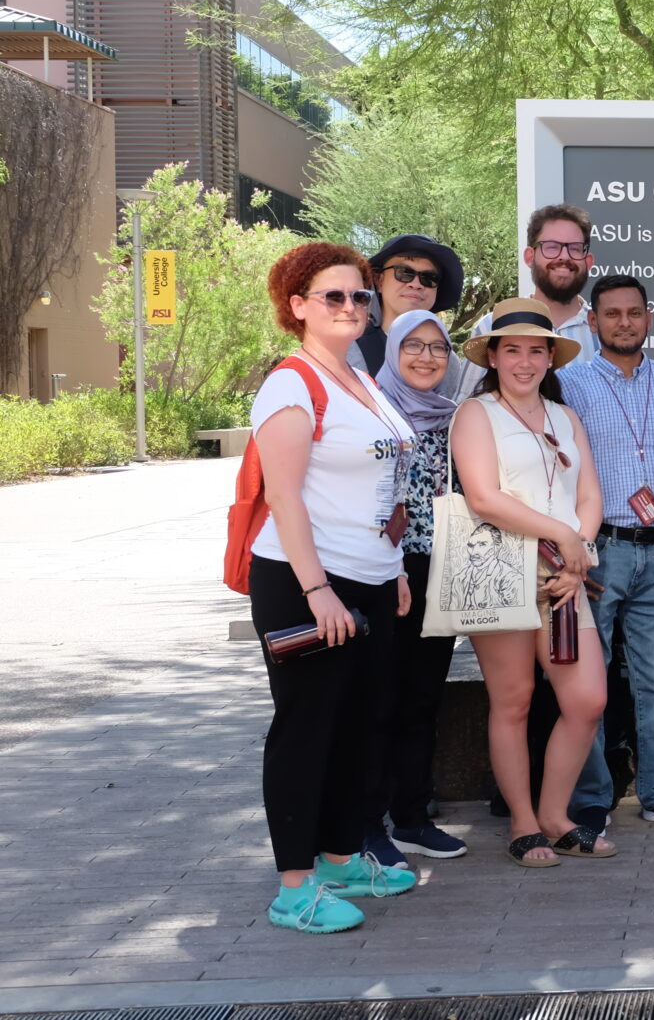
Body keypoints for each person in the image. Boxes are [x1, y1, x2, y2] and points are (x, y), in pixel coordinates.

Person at [249, 242, 417, 933]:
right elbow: (284, 499)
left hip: (372, 580)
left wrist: (396, 570)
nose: (351, 307)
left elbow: (382, 485)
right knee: (308, 731)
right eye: (333, 297)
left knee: (362, 728)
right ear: (298, 307)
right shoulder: (292, 383)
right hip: (306, 582)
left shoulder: (360, 378)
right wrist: (318, 592)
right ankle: (295, 887)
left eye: (359, 297)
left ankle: (342, 857)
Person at [449, 298, 612, 866]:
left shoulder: (564, 417)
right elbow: (483, 497)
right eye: (511, 349)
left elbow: (590, 495)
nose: (524, 362)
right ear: (493, 356)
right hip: (501, 568)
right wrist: (563, 537)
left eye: (536, 351)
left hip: (567, 576)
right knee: (513, 700)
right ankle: (523, 823)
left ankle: (555, 814)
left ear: (551, 358)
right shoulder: (476, 414)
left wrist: (576, 552)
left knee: (587, 699)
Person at [556, 274, 654, 837]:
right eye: (611, 313)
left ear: (649, 318)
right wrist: (570, 556)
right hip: (597, 554)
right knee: (586, 683)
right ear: (592, 321)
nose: (623, 322)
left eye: (633, 313)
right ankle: (592, 796)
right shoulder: (565, 384)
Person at [363, 310, 467, 868]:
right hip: (384, 574)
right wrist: (394, 569)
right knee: (379, 698)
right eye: (414, 347)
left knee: (424, 698)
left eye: (437, 348)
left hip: (440, 571)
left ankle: (412, 817)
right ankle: (366, 825)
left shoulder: (455, 419)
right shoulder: (372, 412)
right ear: (394, 351)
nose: (427, 358)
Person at [457, 206, 599, 397]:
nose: (564, 256)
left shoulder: (603, 332)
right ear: (529, 257)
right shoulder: (491, 327)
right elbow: (465, 404)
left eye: (574, 248)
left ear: (588, 261)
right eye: (552, 247)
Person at [348, 234, 467, 397]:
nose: (416, 284)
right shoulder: (350, 350)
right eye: (404, 273)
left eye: (429, 278)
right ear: (379, 280)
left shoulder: (448, 361)